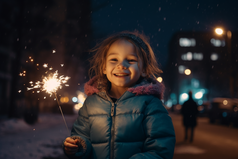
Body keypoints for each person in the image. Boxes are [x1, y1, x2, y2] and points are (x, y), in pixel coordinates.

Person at [63, 31, 176, 159]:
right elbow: (82, 136)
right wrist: (78, 145)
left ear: (144, 70)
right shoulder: (91, 104)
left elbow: (161, 150)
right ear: (104, 67)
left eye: (131, 60)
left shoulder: (150, 105)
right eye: (114, 59)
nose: (121, 65)